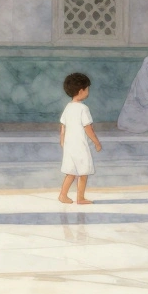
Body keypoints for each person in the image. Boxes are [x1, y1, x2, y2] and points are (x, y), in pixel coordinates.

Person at [58, 72, 102, 204]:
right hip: (80, 145)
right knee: (83, 172)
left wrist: (62, 141)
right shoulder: (83, 108)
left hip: (69, 145)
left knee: (70, 172)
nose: (88, 91)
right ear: (81, 90)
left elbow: (63, 126)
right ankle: (80, 197)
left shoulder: (68, 107)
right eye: (87, 88)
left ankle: (63, 195)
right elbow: (88, 128)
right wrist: (96, 142)